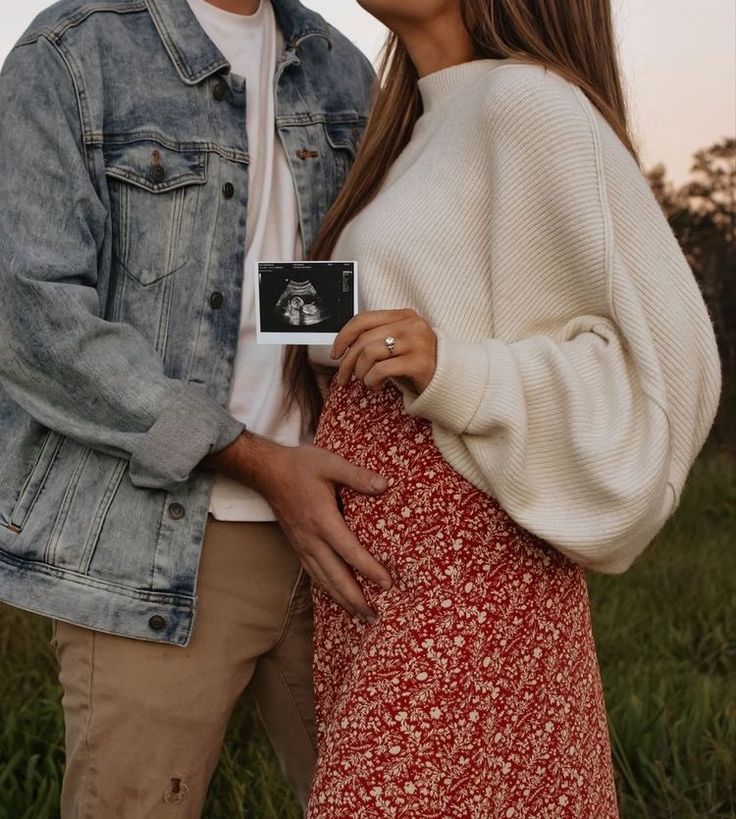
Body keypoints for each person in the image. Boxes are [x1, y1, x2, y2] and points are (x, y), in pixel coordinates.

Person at [293, 0, 722, 815]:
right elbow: (368, 312)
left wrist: (461, 371)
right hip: (373, 574)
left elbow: (675, 363)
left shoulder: (532, 104)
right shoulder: (413, 132)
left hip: (471, 572)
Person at [0, 0, 393, 815]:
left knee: (383, 800)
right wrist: (252, 456)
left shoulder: (341, 68)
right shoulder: (74, 53)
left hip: (340, 534)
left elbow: (308, 301)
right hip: (155, 542)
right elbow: (33, 319)